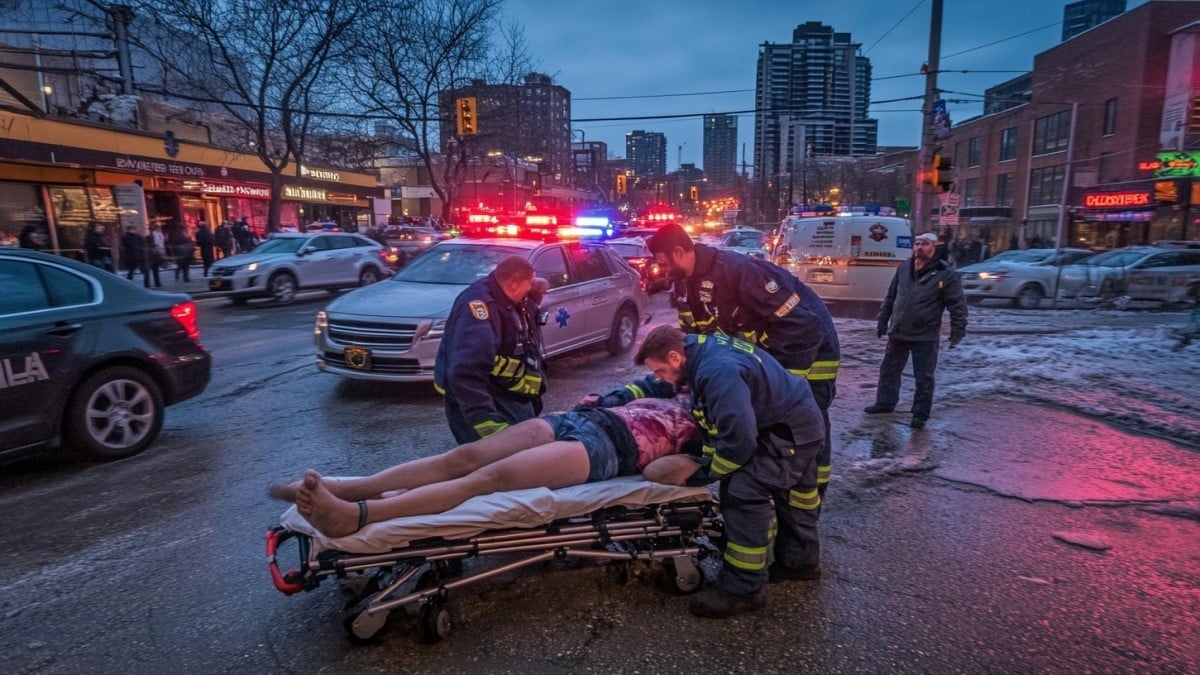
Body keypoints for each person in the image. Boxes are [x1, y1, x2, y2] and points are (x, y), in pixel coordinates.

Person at [271, 396, 701, 538]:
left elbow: (657, 476)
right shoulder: (675, 391)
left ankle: (357, 517)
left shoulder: (706, 441)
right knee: (463, 458)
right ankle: (352, 489)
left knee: (484, 480)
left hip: (608, 450)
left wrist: (692, 464)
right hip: (577, 421)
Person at [633, 325, 826, 619]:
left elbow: (739, 440)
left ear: (674, 357)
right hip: (798, 423)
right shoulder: (701, 350)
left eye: (660, 371)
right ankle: (800, 562)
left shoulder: (716, 371)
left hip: (785, 433)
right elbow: (718, 424)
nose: (661, 379)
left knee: (741, 493)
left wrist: (706, 474)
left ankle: (743, 590)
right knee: (794, 495)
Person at [647, 222, 840, 498]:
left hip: (809, 350)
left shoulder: (737, 272)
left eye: (663, 262)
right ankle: (770, 491)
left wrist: (780, 384)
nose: (662, 270)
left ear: (679, 252)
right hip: (763, 358)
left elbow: (802, 326)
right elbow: (696, 342)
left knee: (801, 423)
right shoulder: (684, 287)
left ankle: (810, 494)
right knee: (761, 424)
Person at [434, 256, 549, 444]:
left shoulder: (507, 297)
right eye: (526, 286)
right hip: (488, 403)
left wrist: (535, 287)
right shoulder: (480, 308)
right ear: (513, 284)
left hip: (509, 397)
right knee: (497, 464)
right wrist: (488, 424)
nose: (528, 292)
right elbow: (466, 373)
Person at [865, 232, 969, 429]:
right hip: (898, 331)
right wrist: (882, 321)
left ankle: (920, 414)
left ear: (934, 247)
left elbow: (957, 305)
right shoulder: (904, 269)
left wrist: (958, 330)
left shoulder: (945, 274)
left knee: (924, 377)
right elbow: (891, 298)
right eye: (917, 243)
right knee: (889, 370)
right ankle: (885, 403)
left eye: (925, 244)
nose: (919, 247)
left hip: (925, 336)